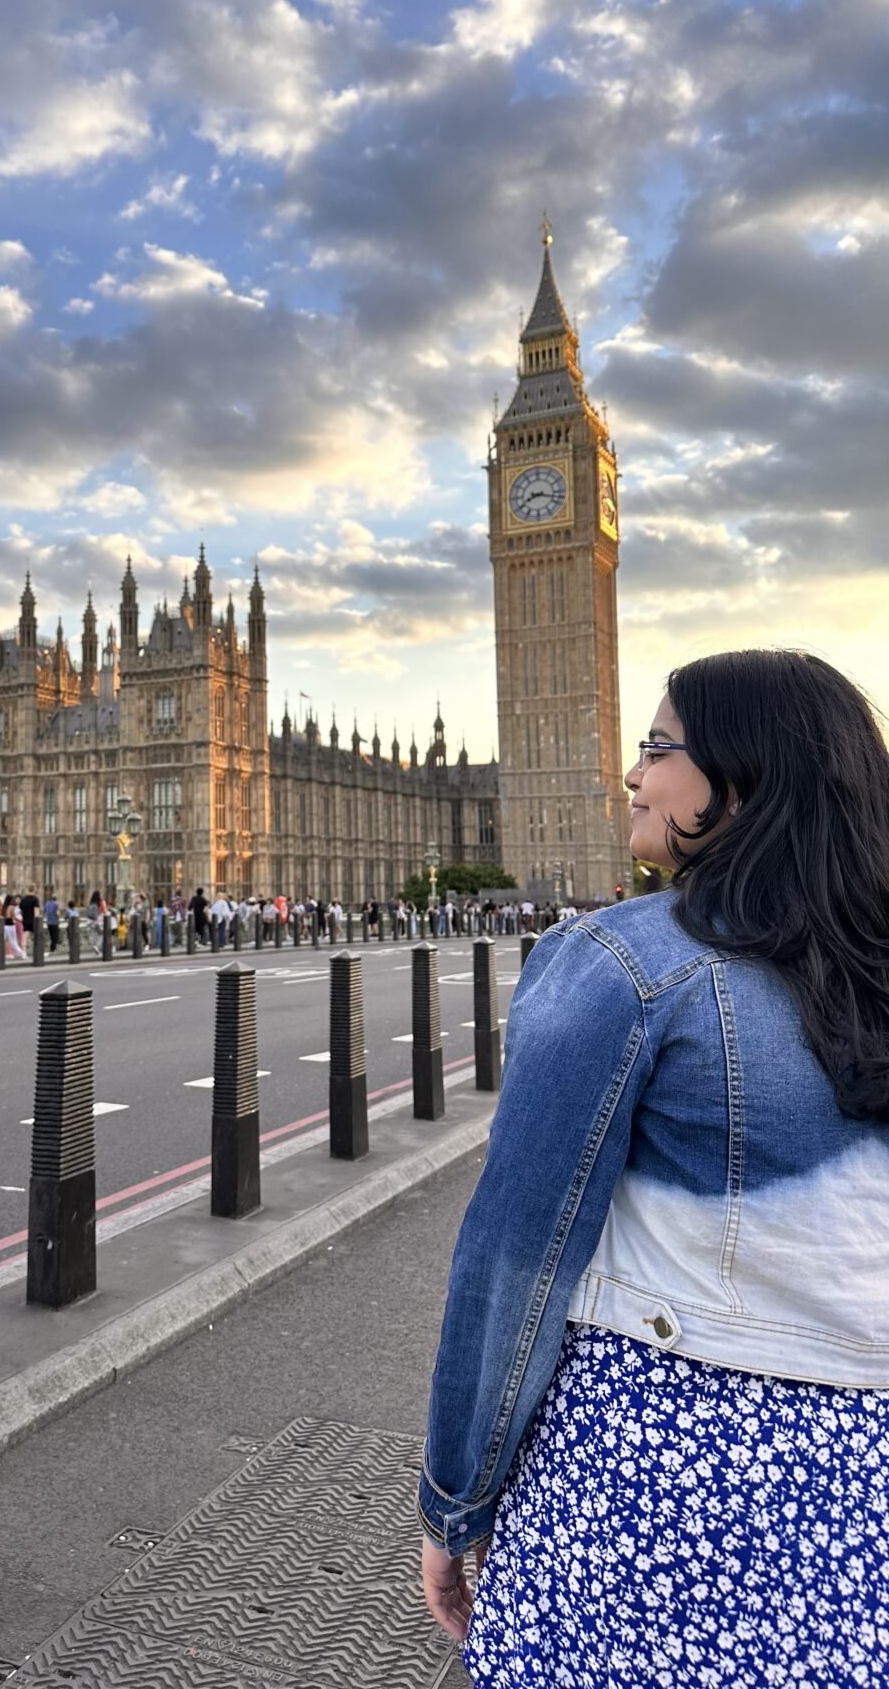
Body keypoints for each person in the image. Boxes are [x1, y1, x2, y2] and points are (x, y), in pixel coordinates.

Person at [419, 650, 889, 1686]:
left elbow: (515, 1262)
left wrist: (453, 1502)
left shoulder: (623, 960)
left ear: (745, 779)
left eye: (657, 748)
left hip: (658, 1488)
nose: (631, 776)